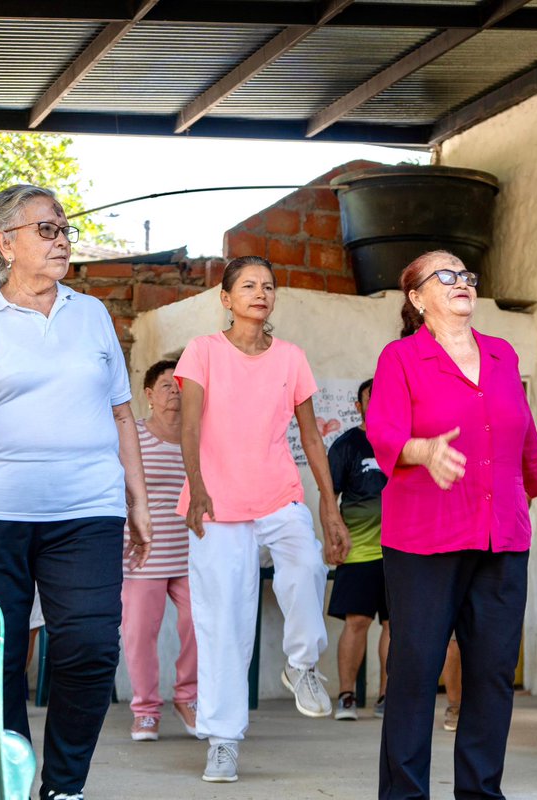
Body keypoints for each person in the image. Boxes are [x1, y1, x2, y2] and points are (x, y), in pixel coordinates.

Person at [0, 184, 152, 800]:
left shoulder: (92, 313)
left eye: (63, 229)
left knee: (88, 646)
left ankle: (63, 786)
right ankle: (8, 775)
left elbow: (119, 411)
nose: (63, 240)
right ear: (6, 243)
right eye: (47, 230)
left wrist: (137, 499)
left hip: (88, 509)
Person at [367, 250, 537, 800]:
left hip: (501, 536)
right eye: (443, 276)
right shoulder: (401, 358)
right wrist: (420, 449)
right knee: (416, 675)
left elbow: (527, 443)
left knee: (492, 677)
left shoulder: (500, 355)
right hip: (425, 540)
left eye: (466, 275)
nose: (460, 283)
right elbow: (382, 432)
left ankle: (480, 793)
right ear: (417, 298)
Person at [176, 255, 350, 784]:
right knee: (222, 623)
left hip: (278, 495)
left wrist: (329, 502)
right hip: (216, 503)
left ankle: (301, 664)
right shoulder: (203, 351)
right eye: (248, 285)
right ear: (226, 299)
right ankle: (223, 741)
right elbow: (190, 424)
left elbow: (312, 436)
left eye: (269, 285)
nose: (261, 292)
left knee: (305, 565)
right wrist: (197, 485)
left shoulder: (291, 358)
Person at [122, 357, 198, 742]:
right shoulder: (132, 435)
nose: (174, 392)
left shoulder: (197, 436)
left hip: (190, 550)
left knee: (198, 622)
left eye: (180, 385)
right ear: (149, 395)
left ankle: (188, 696)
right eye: (166, 386)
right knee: (139, 633)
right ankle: (146, 710)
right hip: (144, 553)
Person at [326, 378, 389, 721]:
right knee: (358, 622)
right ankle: (346, 696)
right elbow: (328, 496)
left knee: (395, 625)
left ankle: (386, 698)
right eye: (371, 396)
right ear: (359, 406)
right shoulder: (347, 445)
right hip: (359, 550)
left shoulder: (405, 441)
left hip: (401, 552)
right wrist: (332, 535)